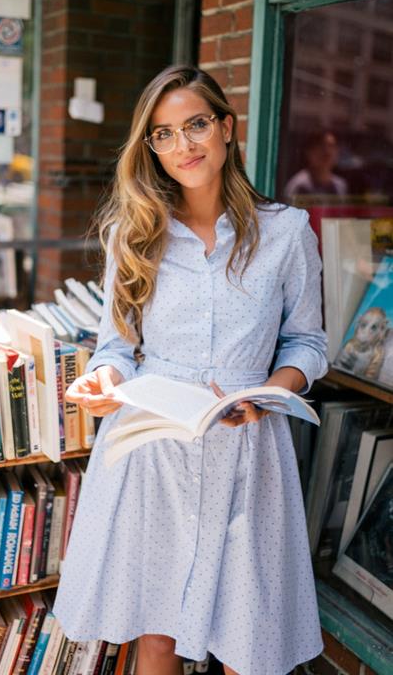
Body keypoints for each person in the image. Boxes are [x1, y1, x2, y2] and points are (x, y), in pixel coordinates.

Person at [53, 65, 328, 675]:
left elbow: (308, 343)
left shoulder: (286, 233)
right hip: (152, 449)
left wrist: (274, 391)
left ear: (226, 128)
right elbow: (116, 347)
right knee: (156, 636)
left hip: (248, 451)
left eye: (196, 124)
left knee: (248, 643)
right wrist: (105, 380)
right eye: (164, 134)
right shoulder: (135, 234)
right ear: (150, 147)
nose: (184, 146)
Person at [284, 130, 348, 200]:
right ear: (308, 152)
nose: (327, 152)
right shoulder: (299, 185)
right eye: (321, 146)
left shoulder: (340, 185)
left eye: (331, 146)